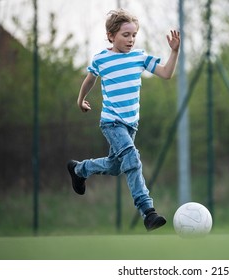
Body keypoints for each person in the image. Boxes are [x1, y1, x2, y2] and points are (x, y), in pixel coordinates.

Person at [67, 8, 180, 232]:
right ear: (111, 35)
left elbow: (166, 73)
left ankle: (80, 169)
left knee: (117, 166)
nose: (130, 39)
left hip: (131, 125)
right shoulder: (102, 59)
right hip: (111, 122)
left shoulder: (139, 57)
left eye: (134, 35)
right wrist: (81, 100)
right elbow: (90, 80)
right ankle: (148, 212)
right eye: (125, 35)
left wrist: (174, 52)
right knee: (132, 158)